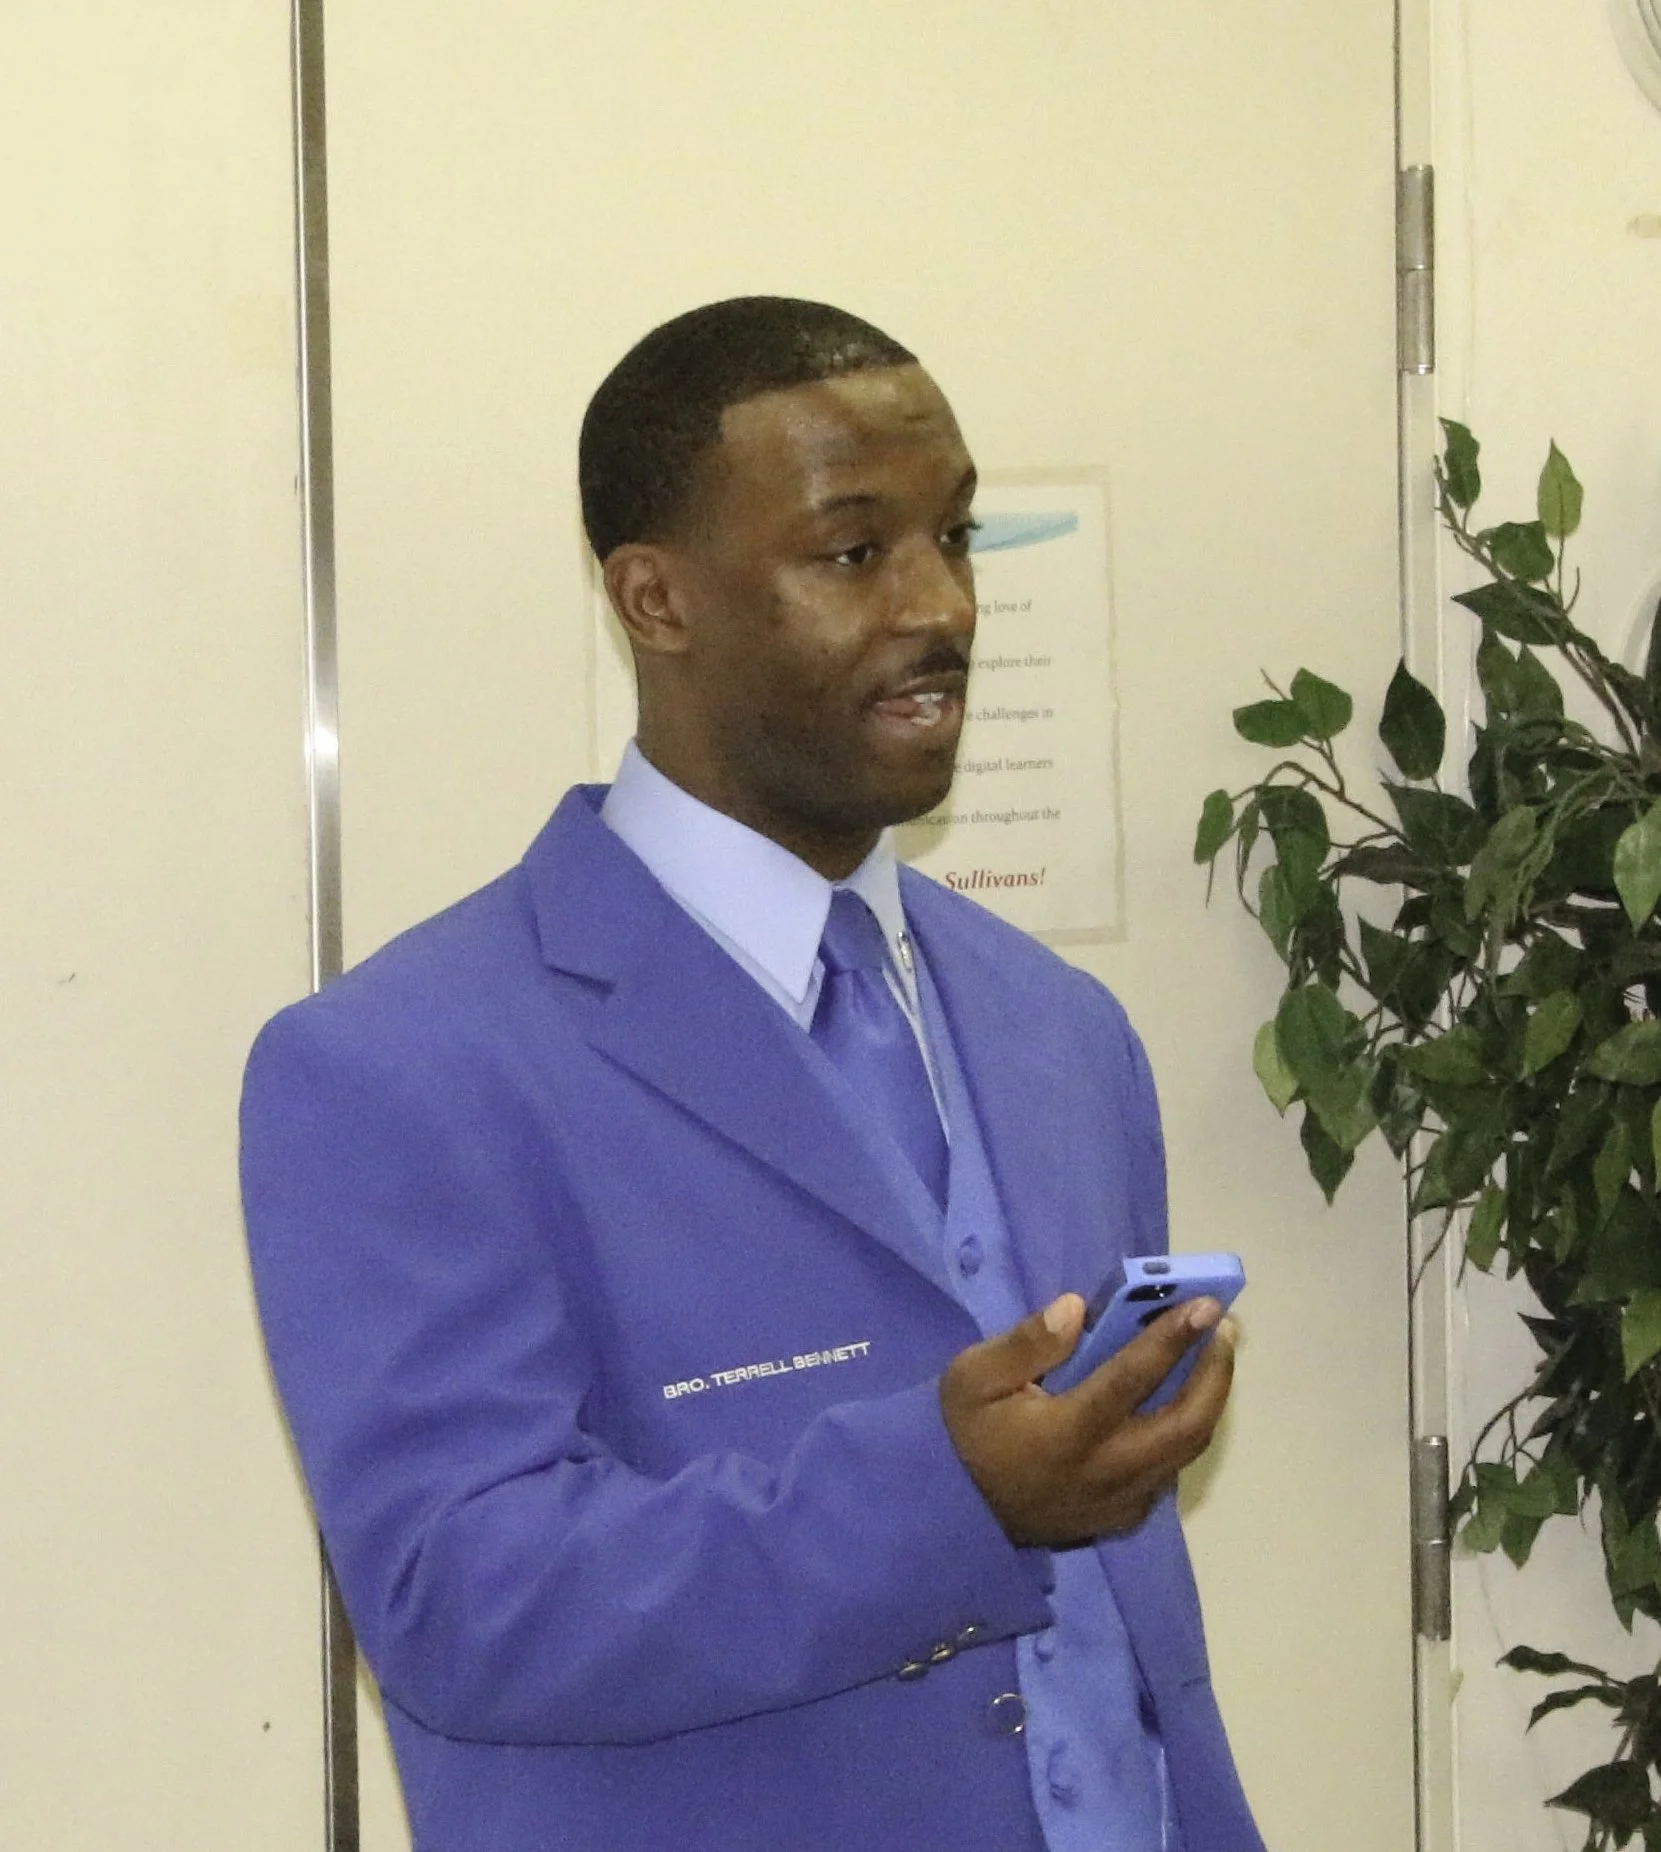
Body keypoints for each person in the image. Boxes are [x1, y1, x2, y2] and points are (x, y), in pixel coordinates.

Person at [241, 296, 1265, 1852]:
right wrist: (950, 1493)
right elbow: (464, 1602)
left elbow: (1126, 1635)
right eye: (856, 553)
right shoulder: (401, 1067)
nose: (943, 607)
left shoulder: (1064, 1032)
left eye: (959, 537)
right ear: (656, 598)